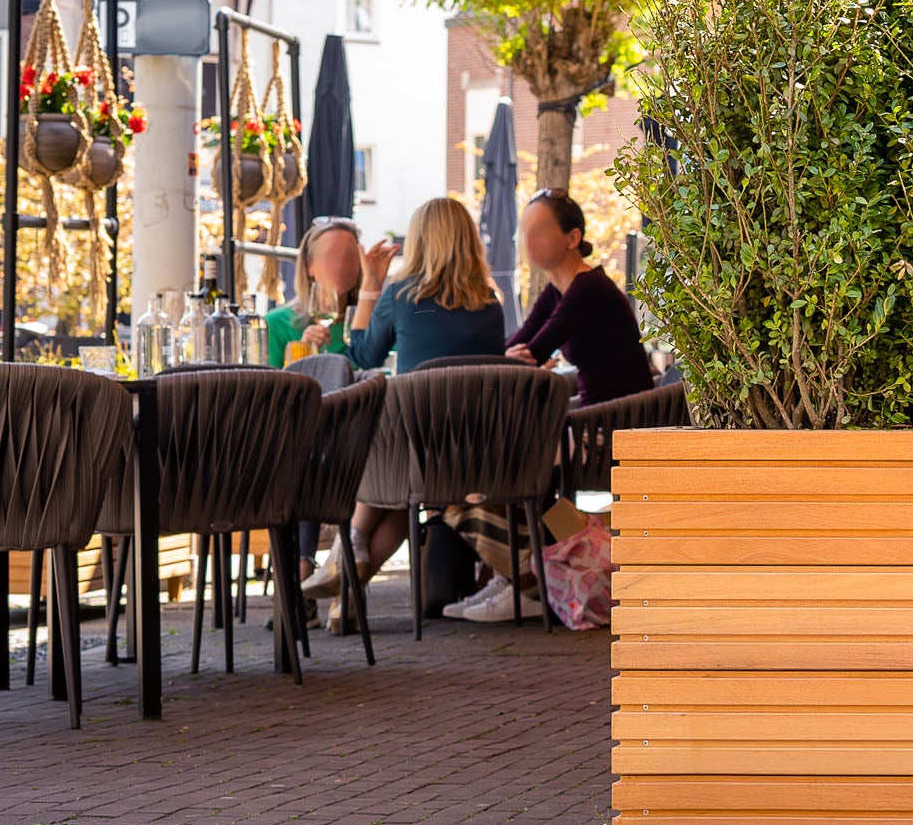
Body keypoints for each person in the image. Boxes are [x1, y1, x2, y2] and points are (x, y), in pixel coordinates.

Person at [313, 197, 510, 606]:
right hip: (478, 451)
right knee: (404, 497)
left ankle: (348, 554)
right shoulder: (491, 303)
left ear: (420, 241)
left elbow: (363, 355)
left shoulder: (402, 294)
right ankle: (346, 591)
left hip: (417, 452)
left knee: (391, 473)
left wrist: (370, 285)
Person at [507, 191, 652, 404]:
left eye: (538, 231)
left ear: (572, 238)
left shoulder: (589, 287)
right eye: (524, 232)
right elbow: (522, 340)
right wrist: (506, 355)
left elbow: (534, 354)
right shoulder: (556, 290)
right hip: (596, 413)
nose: (527, 240)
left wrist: (508, 358)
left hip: (622, 420)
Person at [267, 215, 365, 367]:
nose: (341, 265)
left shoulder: (373, 323)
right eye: (332, 256)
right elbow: (270, 387)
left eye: (350, 257)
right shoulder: (275, 324)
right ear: (309, 266)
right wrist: (302, 353)